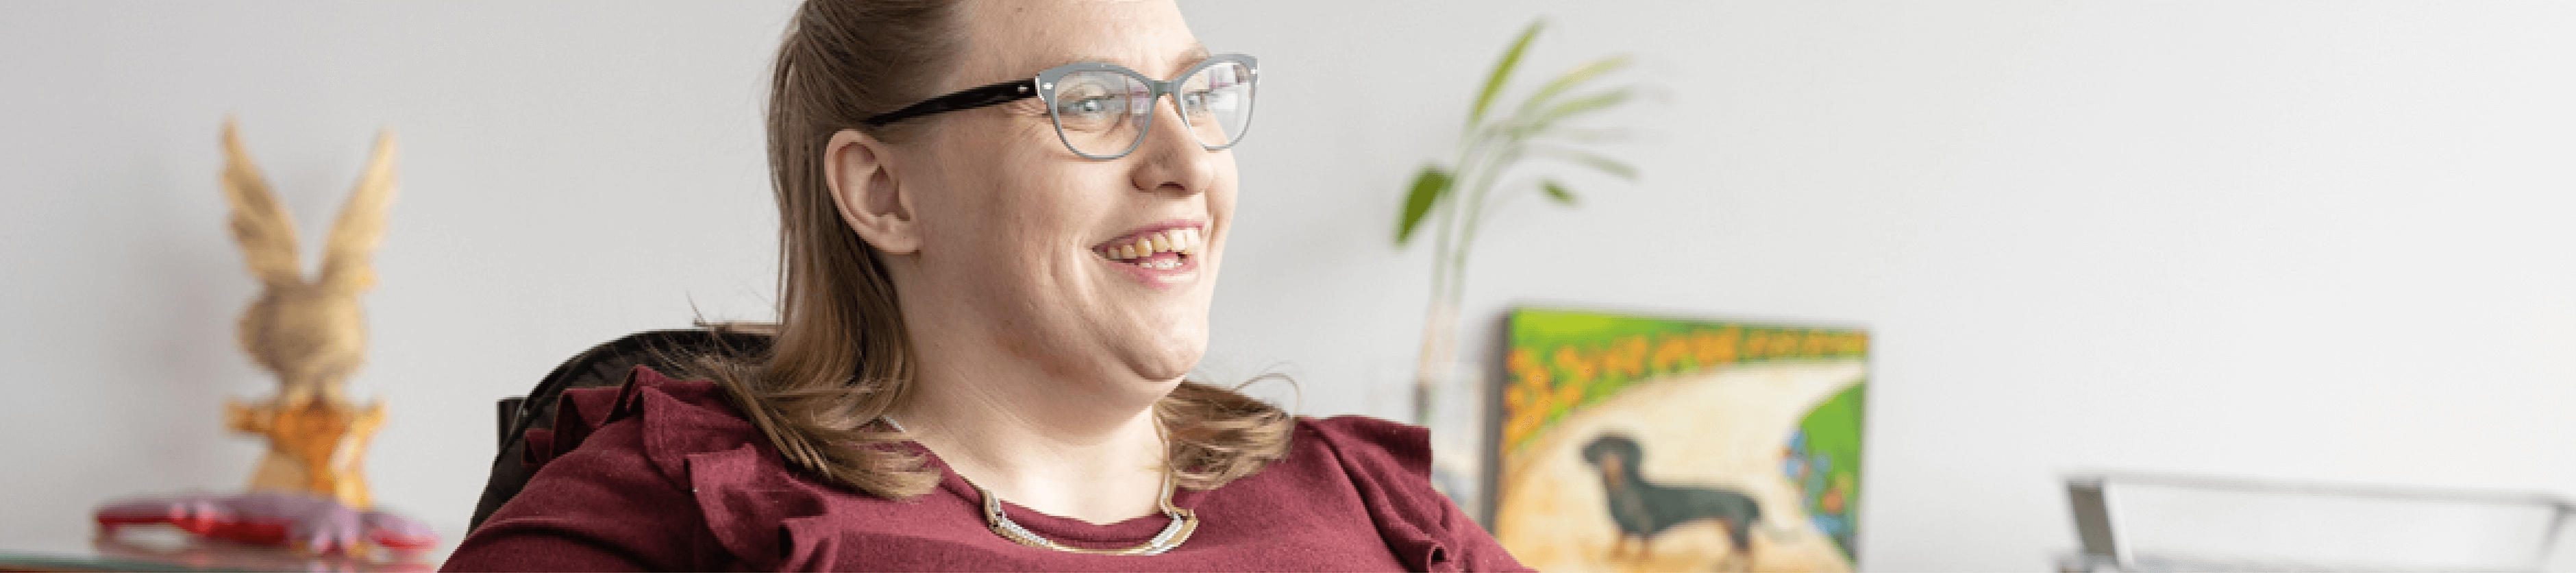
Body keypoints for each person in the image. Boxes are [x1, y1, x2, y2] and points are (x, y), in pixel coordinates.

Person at [441, 0, 1527, 571]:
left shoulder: (1378, 511)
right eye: (1093, 102)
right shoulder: (688, 498)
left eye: (1197, 94)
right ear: (883, 193)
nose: (1187, 163)